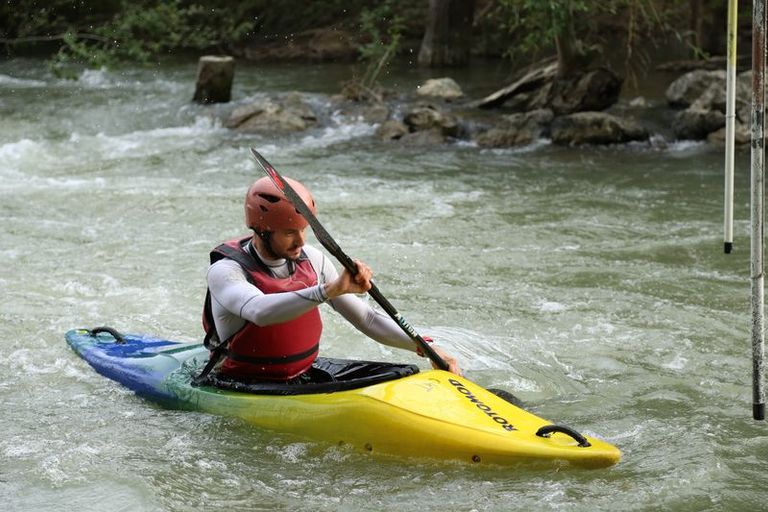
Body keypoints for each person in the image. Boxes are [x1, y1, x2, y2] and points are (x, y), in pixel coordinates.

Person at [202, 176, 462, 383]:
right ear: (261, 229)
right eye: (289, 232)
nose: (301, 241)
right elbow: (258, 311)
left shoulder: (312, 259)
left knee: (404, 374)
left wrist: (423, 347)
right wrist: (329, 290)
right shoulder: (227, 271)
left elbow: (368, 318)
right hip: (241, 381)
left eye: (304, 230)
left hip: (303, 375)